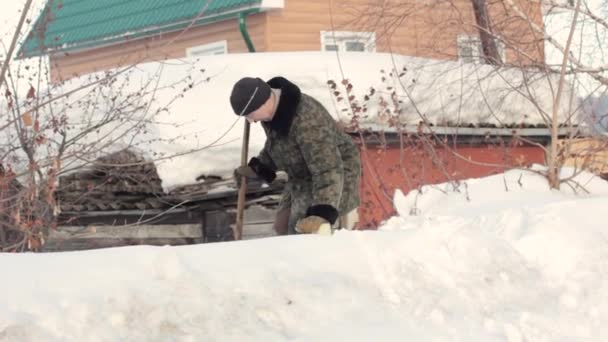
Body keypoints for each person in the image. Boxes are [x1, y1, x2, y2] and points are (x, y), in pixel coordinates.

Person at [230, 76, 361, 235]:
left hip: (333, 177)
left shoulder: (307, 121)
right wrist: (260, 167)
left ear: (263, 102)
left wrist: (322, 212)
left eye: (249, 114)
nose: (250, 121)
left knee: (302, 229)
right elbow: (280, 145)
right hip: (302, 174)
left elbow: (328, 168)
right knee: (282, 225)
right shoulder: (274, 111)